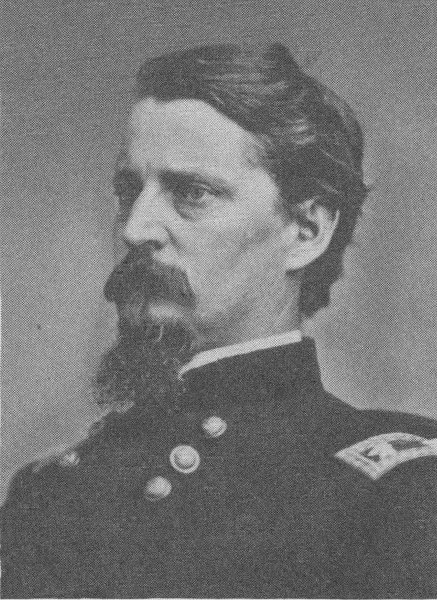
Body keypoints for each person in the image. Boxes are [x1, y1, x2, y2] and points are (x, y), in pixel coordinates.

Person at [2, 43, 436, 599]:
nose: (135, 229)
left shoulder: (399, 491)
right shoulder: (52, 495)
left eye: (193, 193)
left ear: (306, 232)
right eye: (129, 192)